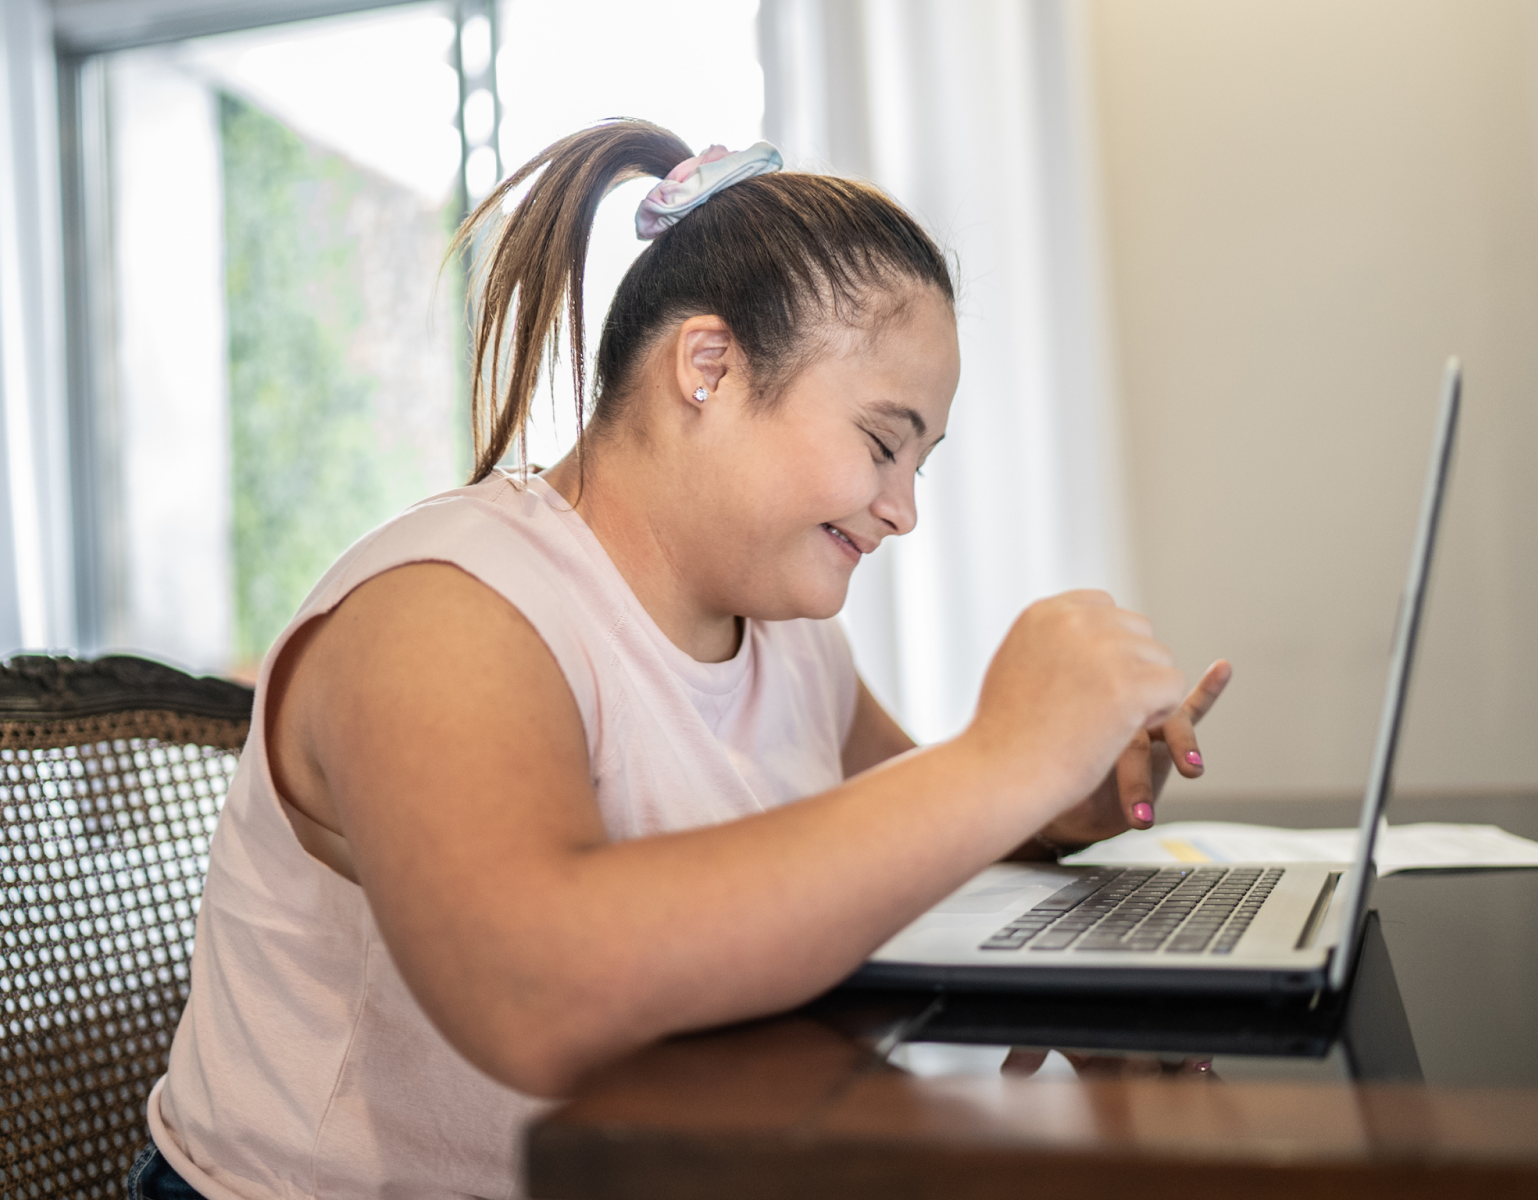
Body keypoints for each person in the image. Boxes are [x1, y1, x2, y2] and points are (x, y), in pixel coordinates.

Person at [131, 119, 1230, 1200]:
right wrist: (1000, 758)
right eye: (881, 442)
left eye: (922, 465)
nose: (902, 511)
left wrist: (1064, 788)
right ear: (706, 365)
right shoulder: (441, 612)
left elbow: (901, 829)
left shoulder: (792, 644)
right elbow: (531, 996)